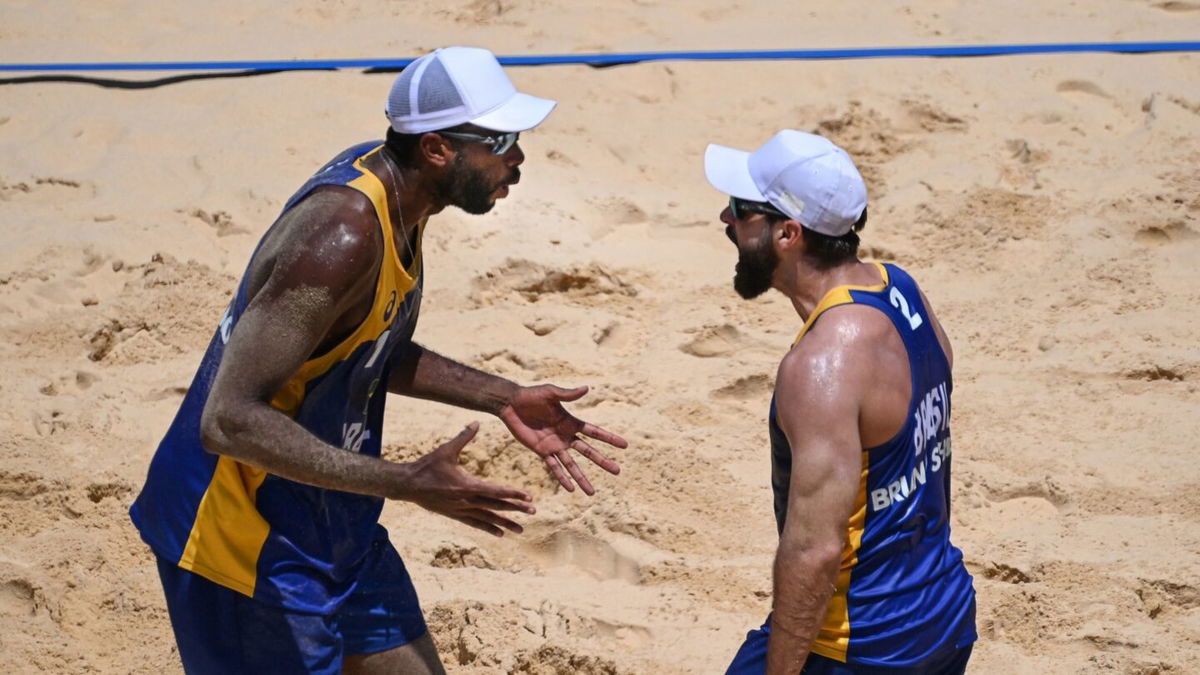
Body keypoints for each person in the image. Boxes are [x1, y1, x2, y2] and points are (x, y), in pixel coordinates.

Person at [129, 46, 627, 675]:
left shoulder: (405, 201)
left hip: (333, 517)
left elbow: (361, 346)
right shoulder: (340, 237)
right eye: (500, 141)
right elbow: (227, 421)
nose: (518, 159)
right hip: (240, 540)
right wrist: (405, 482)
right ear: (438, 149)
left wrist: (501, 396)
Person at [705, 130, 976, 674]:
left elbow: (815, 552)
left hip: (861, 647)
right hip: (943, 616)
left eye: (740, 209)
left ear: (787, 232)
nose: (725, 220)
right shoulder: (901, 289)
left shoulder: (820, 366)